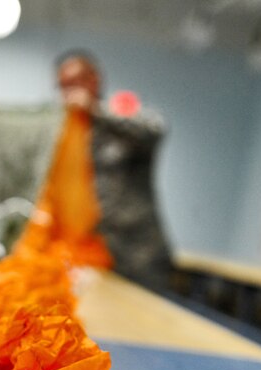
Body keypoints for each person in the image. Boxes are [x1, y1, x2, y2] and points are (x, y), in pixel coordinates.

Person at [19, 50, 173, 286]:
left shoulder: (119, 119)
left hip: (137, 255)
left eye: (76, 83)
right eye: (63, 86)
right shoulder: (67, 132)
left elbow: (154, 129)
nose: (69, 92)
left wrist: (95, 110)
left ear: (94, 80)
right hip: (90, 258)